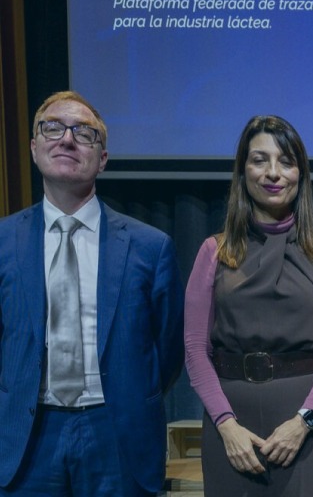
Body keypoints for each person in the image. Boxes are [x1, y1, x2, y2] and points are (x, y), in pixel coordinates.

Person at [0, 91, 184, 496]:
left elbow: (167, 350)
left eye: (83, 133)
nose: (66, 139)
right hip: (27, 435)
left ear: (102, 158)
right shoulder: (2, 242)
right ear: (34, 149)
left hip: (117, 434)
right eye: (52, 127)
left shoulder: (150, 247)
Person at [183, 115, 313, 496]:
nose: (273, 173)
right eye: (260, 160)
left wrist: (304, 422)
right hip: (232, 432)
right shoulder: (213, 253)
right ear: (243, 170)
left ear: (301, 173)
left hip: (309, 429)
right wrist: (226, 425)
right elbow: (196, 351)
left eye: (286, 161)